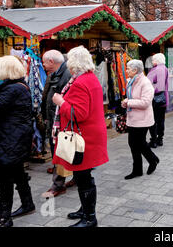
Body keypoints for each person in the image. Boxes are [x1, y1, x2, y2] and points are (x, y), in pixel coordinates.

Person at [52, 46, 108, 227]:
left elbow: (79, 113)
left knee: (83, 178)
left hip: (84, 138)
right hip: (89, 135)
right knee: (83, 176)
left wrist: (60, 102)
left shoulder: (80, 82)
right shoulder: (89, 78)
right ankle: (85, 210)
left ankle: (90, 218)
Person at [0, 56, 35, 227]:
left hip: (11, 140)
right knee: (18, 173)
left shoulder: (12, 89)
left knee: (4, 178)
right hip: (17, 138)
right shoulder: (20, 86)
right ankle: (28, 204)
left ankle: (4, 218)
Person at [41, 50, 74, 198]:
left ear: (51, 61)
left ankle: (58, 185)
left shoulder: (66, 74)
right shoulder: (56, 73)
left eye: (44, 61)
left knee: (60, 152)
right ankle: (77, 178)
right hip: (54, 120)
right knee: (61, 152)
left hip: (60, 122)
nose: (42, 64)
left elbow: (66, 100)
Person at [121, 60, 160, 180]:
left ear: (135, 70)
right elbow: (131, 96)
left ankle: (152, 160)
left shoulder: (145, 82)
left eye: (128, 68)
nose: (126, 70)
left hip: (143, 119)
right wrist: (125, 102)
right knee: (133, 144)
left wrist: (128, 102)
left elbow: (145, 102)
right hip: (133, 117)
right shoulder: (131, 81)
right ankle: (139, 169)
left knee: (139, 143)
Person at [147, 53, 169, 148]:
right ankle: (160, 139)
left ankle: (154, 140)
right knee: (161, 120)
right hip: (163, 98)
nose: (152, 61)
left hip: (155, 99)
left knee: (153, 120)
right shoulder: (165, 68)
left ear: (157, 60)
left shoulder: (156, 69)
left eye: (153, 60)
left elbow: (151, 85)